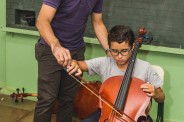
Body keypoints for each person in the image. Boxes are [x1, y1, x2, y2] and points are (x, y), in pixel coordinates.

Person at [67, 25, 165, 122]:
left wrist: (155, 93)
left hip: (135, 115)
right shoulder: (104, 63)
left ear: (133, 47)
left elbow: (161, 98)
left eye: (124, 51)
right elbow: (80, 65)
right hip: (108, 112)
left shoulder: (145, 67)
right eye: (114, 51)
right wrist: (75, 64)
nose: (119, 56)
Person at [34, 0, 109, 122]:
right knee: (47, 100)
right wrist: (56, 45)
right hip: (50, 50)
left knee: (67, 99)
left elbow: (98, 23)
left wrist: (110, 51)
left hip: (76, 51)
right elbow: (42, 21)